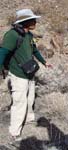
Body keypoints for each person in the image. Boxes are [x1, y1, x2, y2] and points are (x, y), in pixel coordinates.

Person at [0, 9, 51, 140]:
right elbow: (3, 53)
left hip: (29, 72)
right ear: (24, 22)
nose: (35, 22)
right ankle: (15, 131)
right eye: (33, 20)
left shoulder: (29, 35)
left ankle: (28, 119)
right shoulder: (12, 35)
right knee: (19, 102)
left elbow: (34, 50)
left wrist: (44, 62)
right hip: (18, 74)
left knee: (30, 98)